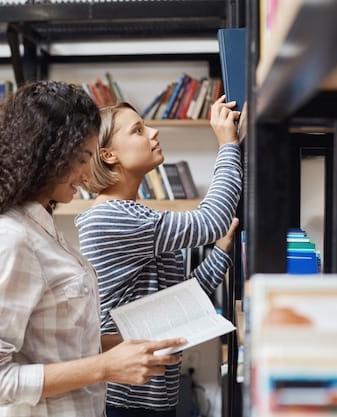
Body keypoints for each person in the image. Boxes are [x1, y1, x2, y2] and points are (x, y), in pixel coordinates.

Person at [0, 80, 186, 417]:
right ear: (45, 156)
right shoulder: (11, 239)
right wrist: (105, 367)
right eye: (82, 158)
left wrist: (122, 348)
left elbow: (52, 343)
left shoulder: (41, 228)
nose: (86, 172)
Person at [74, 96, 243, 417]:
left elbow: (184, 301)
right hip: (124, 399)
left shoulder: (135, 214)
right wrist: (227, 143)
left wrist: (222, 248)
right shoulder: (111, 218)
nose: (153, 132)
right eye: (138, 130)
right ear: (108, 154)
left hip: (155, 395)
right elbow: (212, 221)